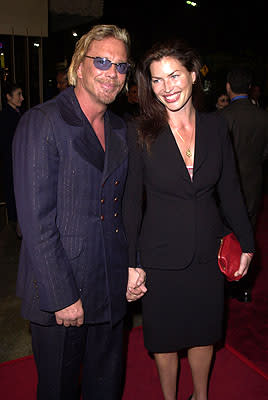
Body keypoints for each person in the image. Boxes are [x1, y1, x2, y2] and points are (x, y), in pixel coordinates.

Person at [13, 24, 146, 400]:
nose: (112, 72)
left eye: (121, 66)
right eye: (102, 61)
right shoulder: (43, 122)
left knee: (106, 387)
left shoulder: (121, 129)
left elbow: (126, 209)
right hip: (62, 291)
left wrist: (132, 265)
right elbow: (36, 223)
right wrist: (62, 295)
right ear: (79, 66)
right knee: (58, 389)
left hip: (109, 288)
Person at [123, 39, 254, 400]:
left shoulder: (216, 127)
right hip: (160, 256)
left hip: (206, 255)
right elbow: (132, 203)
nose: (167, 87)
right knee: (163, 340)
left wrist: (246, 242)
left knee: (203, 332)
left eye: (174, 75)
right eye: (157, 80)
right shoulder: (140, 132)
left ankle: (201, 395)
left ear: (193, 75)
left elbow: (230, 190)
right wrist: (131, 262)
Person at [222, 68, 268, 302]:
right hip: (253, 183)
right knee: (247, 232)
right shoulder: (263, 116)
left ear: (228, 86)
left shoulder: (222, 117)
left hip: (226, 186)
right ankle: (244, 288)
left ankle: (226, 281)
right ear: (249, 87)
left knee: (225, 235)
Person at [0, 82, 24, 237]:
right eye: (19, 95)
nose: (22, 98)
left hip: (16, 161)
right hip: (11, 163)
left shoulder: (17, 112)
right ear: (8, 97)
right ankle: (16, 224)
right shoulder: (6, 116)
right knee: (13, 192)